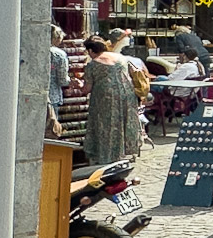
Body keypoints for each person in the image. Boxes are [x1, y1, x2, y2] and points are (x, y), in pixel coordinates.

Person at [82, 36, 142, 164]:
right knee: (124, 122)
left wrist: (77, 85)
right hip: (127, 95)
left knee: (105, 125)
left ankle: (106, 155)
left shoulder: (93, 64)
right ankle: (124, 152)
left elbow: (87, 88)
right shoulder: (121, 58)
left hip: (106, 98)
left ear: (91, 51)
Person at [47, 26, 71, 138]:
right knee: (52, 128)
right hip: (52, 96)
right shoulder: (59, 55)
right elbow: (62, 79)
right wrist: (71, 82)